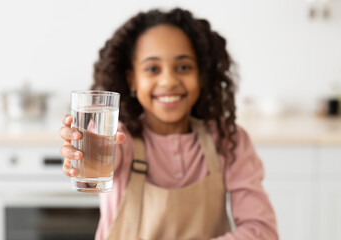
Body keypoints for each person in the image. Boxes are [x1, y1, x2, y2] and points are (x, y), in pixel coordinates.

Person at [59, 8, 279, 240]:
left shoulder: (228, 141)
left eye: (183, 67)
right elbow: (99, 161)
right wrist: (84, 152)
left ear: (201, 75)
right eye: (152, 69)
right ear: (132, 80)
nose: (169, 81)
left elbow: (262, 232)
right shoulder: (120, 138)